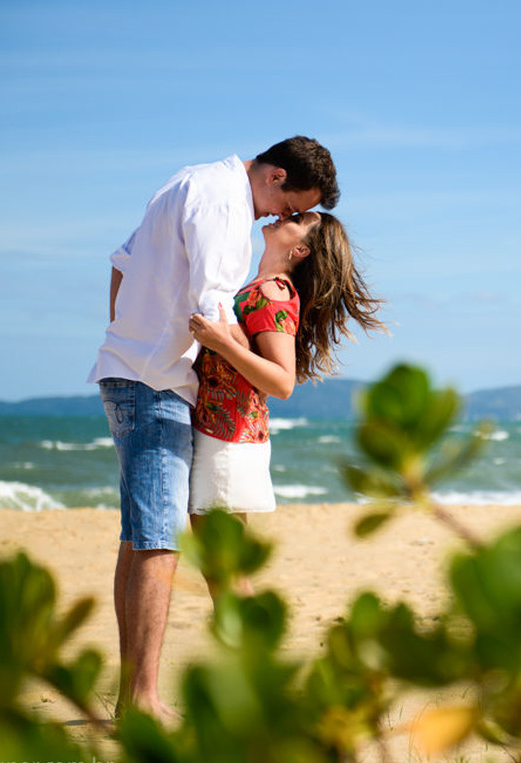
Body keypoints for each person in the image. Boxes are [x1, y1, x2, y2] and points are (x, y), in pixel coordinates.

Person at [87, 136, 339, 725]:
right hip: (157, 383)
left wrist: (128, 338)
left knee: (143, 539)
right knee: (159, 542)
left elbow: (121, 264)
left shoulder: (190, 180)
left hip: (141, 374)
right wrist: (166, 350)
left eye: (293, 217)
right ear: (276, 176)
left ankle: (138, 698)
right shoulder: (225, 204)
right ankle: (143, 700)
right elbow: (212, 309)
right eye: (290, 205)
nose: (279, 216)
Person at [186, 211, 385, 583]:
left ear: (301, 249)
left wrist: (221, 343)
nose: (284, 215)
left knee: (223, 573)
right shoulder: (260, 287)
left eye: (298, 219)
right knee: (222, 571)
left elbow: (282, 382)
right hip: (227, 432)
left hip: (227, 438)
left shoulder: (273, 292)